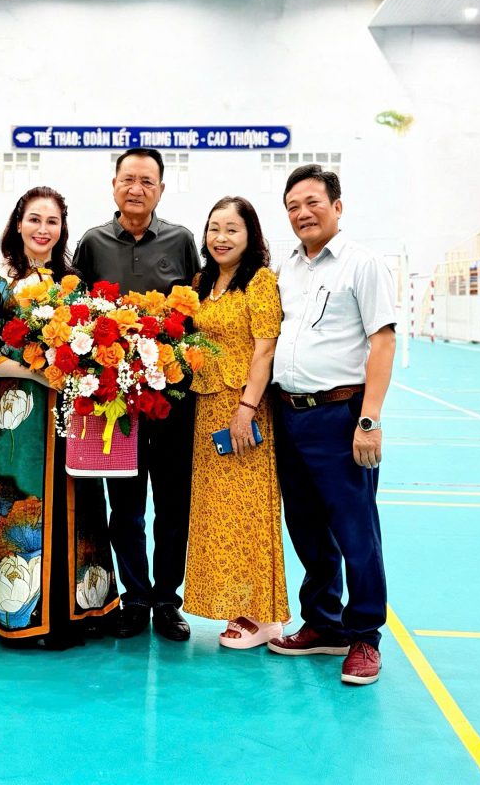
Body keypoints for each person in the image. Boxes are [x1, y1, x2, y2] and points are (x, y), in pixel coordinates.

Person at [0, 186, 120, 649]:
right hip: (20, 418)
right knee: (24, 508)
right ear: (18, 224)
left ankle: (78, 612)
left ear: (62, 228)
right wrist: (37, 371)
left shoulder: (73, 283)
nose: (42, 229)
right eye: (34, 219)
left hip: (73, 413)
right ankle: (22, 617)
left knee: (80, 503)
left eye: (51, 221)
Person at [268, 164, 396, 686]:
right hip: (288, 414)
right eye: (293, 207)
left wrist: (369, 419)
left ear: (337, 207)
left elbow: (383, 341)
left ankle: (364, 636)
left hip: (341, 415)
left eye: (312, 202)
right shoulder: (286, 269)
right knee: (305, 527)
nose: (303, 213)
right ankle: (324, 623)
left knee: (355, 530)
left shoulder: (363, 265)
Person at [73, 148, 201, 641]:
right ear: (114, 185)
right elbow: (77, 314)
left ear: (161, 189)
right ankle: (135, 597)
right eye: (128, 179)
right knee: (124, 507)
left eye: (147, 181)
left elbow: (196, 314)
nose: (137, 189)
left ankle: (167, 600)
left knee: (171, 504)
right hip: (114, 402)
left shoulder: (181, 240)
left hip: (171, 400)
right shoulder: (92, 243)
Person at [184, 196, 290, 647]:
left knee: (250, 511)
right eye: (214, 228)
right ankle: (236, 605)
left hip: (243, 407)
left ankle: (264, 615)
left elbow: (265, 349)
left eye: (232, 229)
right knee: (218, 514)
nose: (221, 237)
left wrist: (246, 408)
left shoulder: (260, 281)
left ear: (250, 235)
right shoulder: (202, 281)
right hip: (206, 406)